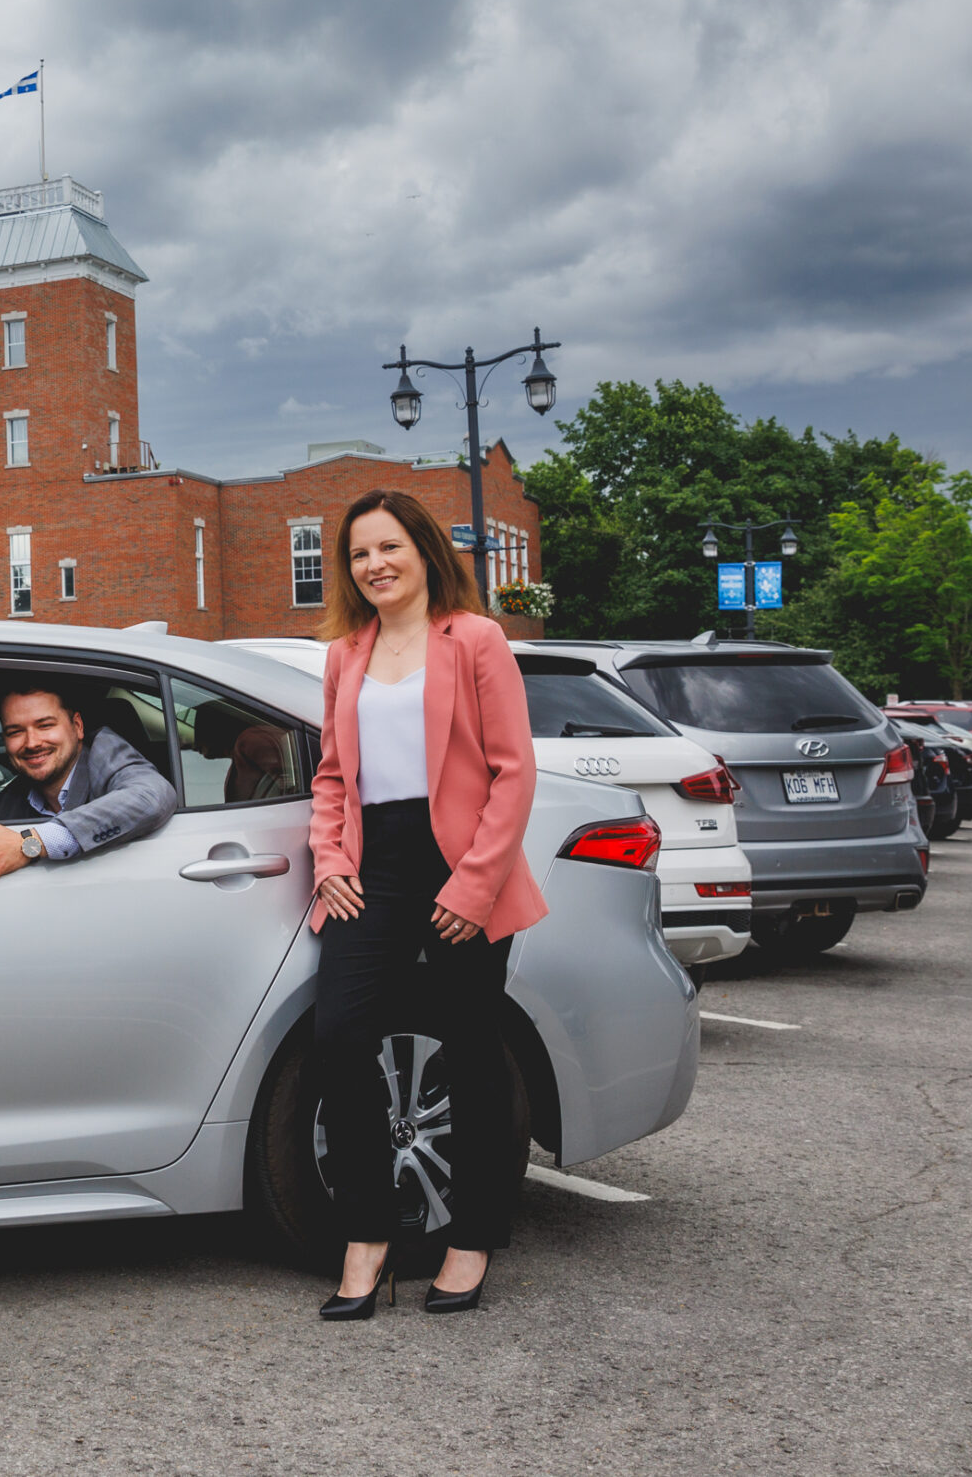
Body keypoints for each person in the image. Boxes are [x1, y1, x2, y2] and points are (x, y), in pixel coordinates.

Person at [307, 488, 542, 1321]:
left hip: (462, 859)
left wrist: (475, 886)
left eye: (389, 547)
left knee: (471, 1049)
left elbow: (515, 771)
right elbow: (333, 774)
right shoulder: (344, 653)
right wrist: (329, 855)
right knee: (338, 1035)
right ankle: (368, 1236)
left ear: (423, 550)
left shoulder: (475, 639)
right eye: (360, 553)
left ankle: (470, 1237)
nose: (374, 564)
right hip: (375, 864)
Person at [0, 685, 177, 895]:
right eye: (15, 732)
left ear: (77, 726)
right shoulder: (7, 803)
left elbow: (151, 796)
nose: (32, 743)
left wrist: (31, 843)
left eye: (45, 725)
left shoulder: (105, 753)